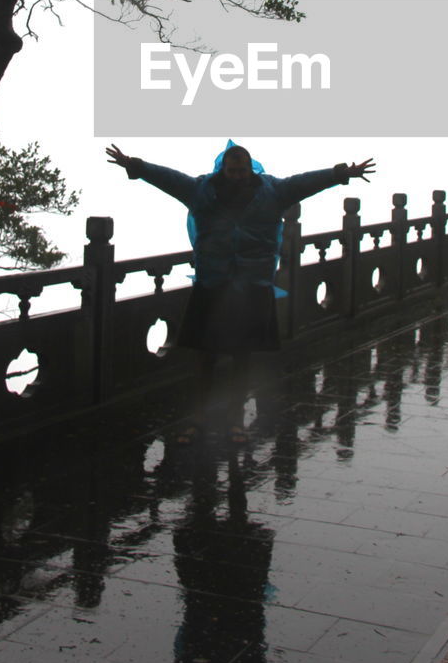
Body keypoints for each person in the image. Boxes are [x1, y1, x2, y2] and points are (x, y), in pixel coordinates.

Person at [106, 142, 376, 444]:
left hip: (251, 285)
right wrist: (136, 166)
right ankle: (197, 419)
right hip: (213, 283)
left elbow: (306, 182)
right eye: (232, 171)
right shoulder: (201, 190)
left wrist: (341, 173)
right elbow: (169, 178)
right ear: (224, 169)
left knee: (242, 358)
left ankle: (235, 420)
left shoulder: (272, 191)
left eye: (242, 171)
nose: (237, 176)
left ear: (251, 170)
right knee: (204, 357)